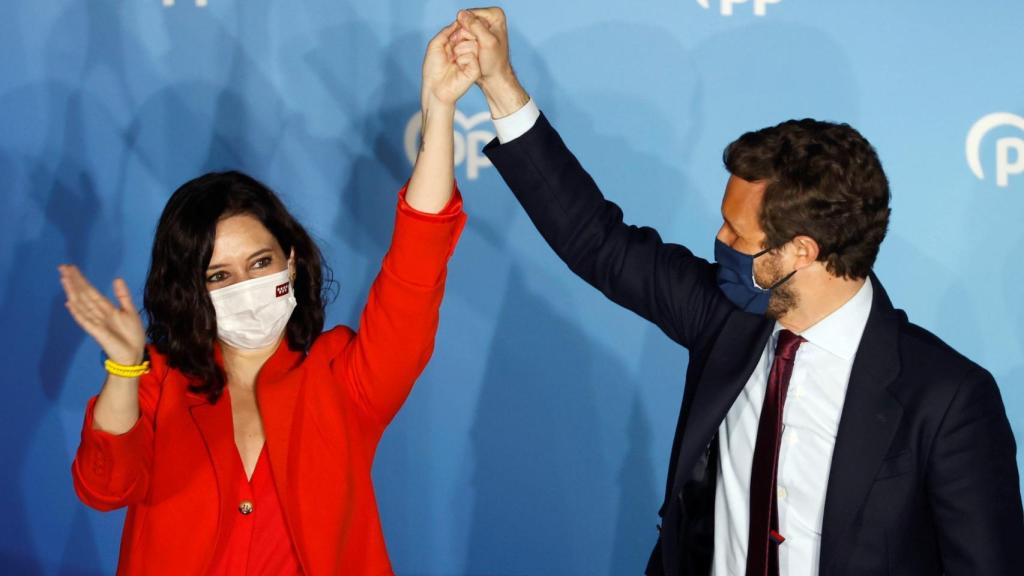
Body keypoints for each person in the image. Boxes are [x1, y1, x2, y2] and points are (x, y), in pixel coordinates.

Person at [451, 8, 1024, 576]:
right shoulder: (727, 317)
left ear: (802, 251)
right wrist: (500, 85)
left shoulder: (948, 399)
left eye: (738, 233)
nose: (719, 240)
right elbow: (595, 240)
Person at [59, 22, 477, 575]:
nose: (247, 286)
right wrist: (124, 369)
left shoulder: (343, 376)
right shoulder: (159, 382)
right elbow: (104, 487)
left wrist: (440, 110)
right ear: (192, 291)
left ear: (292, 262)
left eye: (259, 263)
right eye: (219, 276)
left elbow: (415, 266)